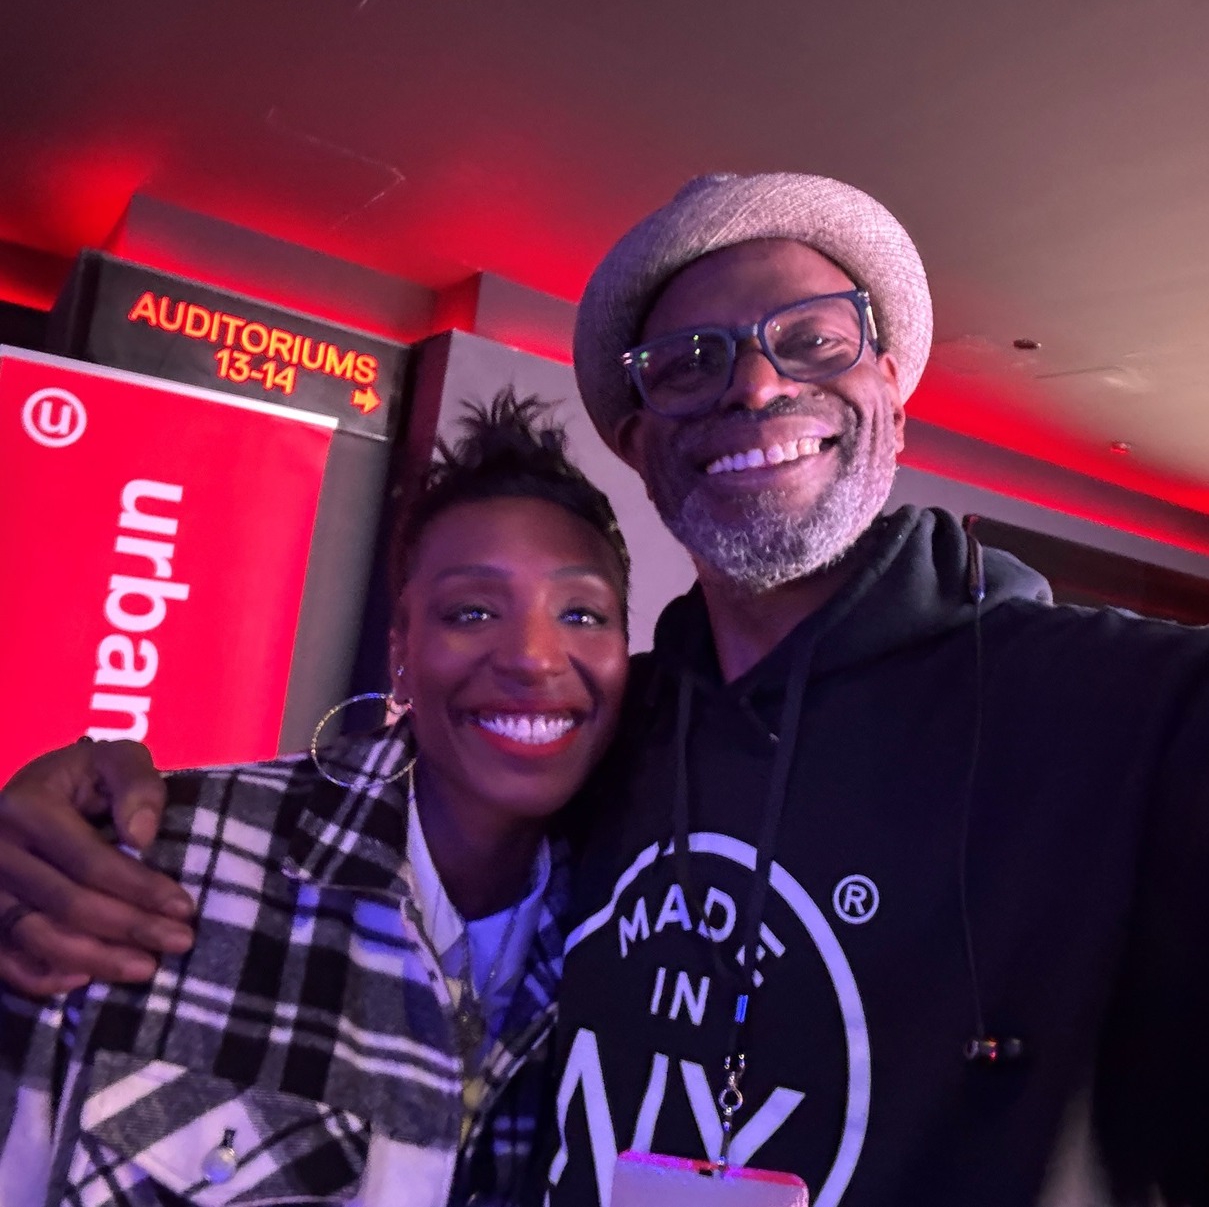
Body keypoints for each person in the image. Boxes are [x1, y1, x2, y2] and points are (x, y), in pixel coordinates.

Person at [4, 172, 1209, 1206]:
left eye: (813, 336)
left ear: (890, 375)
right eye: (691, 361)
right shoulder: (605, 744)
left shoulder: (1127, 710)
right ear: (638, 436)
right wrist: (80, 805)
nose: (752, 387)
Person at [0, 391, 631, 1207]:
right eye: (471, 611)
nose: (535, 657)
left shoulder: (628, 928)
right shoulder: (161, 861)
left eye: (581, 613)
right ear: (401, 653)